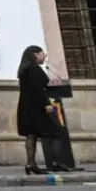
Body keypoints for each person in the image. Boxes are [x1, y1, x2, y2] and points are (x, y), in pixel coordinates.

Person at [17, 45, 61, 175]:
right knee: (54, 131)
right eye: (43, 54)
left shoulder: (24, 70)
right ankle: (55, 162)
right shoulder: (34, 70)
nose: (44, 57)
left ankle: (31, 163)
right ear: (35, 55)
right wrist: (47, 104)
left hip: (26, 106)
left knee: (31, 135)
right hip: (36, 107)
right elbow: (38, 90)